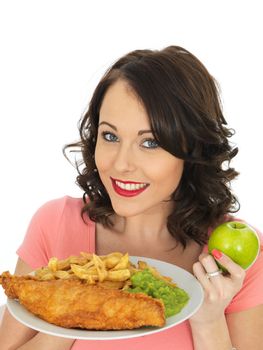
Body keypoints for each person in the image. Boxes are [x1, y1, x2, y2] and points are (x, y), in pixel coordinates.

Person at [0, 45, 262, 350]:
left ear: (192, 150)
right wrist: (74, 309)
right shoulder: (55, 225)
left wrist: (209, 319)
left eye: (150, 142)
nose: (122, 164)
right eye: (110, 136)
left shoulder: (235, 261)